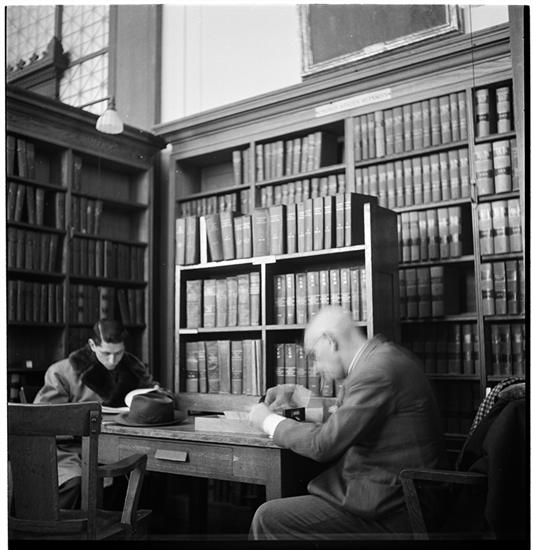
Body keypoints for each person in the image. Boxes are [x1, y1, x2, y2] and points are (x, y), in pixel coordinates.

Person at [248, 305, 447, 540]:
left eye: (314, 356)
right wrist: (299, 398)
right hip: (393, 497)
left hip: (395, 512)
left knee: (268, 517)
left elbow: (323, 444)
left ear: (330, 341)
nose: (315, 369)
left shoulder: (376, 370)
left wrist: (267, 420)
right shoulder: (381, 357)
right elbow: (348, 418)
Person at [33, 319, 166, 509]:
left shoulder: (134, 368)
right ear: (92, 345)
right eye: (106, 353)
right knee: (76, 482)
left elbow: (155, 393)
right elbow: (42, 420)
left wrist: (155, 395)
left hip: (117, 446)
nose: (112, 361)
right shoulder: (61, 372)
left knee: (146, 477)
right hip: (68, 449)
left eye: (118, 353)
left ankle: (117, 524)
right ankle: (70, 526)